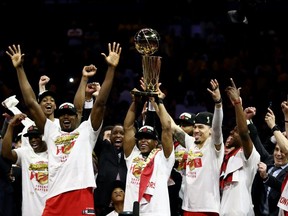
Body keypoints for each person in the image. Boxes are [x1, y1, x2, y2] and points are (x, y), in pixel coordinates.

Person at [6, 42, 122, 215]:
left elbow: (101, 104)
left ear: (77, 116)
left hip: (80, 194)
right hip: (54, 197)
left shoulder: (86, 130)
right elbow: (31, 103)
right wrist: (20, 69)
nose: (66, 117)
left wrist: (111, 69)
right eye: (62, 114)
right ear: (58, 117)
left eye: (70, 114)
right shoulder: (51, 130)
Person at [172, 79, 224, 216]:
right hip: (187, 206)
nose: (196, 130)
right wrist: (158, 102)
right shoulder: (190, 143)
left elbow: (217, 127)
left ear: (210, 130)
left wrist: (218, 104)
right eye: (194, 127)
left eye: (201, 127)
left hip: (207, 209)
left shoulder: (215, 146)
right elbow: (172, 127)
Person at [122, 87, 174, 215]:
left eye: (148, 138)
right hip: (132, 211)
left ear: (156, 142)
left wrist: (159, 101)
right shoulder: (132, 155)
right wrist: (135, 102)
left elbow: (167, 128)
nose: (143, 141)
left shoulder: (163, 158)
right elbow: (128, 127)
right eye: (140, 138)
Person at [219, 78, 260, 216]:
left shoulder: (249, 155)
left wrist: (237, 104)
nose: (231, 132)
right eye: (232, 130)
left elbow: (243, 132)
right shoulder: (225, 158)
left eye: (234, 131)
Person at [1, 114, 48, 216]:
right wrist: (11, 126)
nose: (33, 140)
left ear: (43, 136)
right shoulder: (25, 153)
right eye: (30, 137)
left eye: (36, 136)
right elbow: (5, 153)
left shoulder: (53, 153)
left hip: (52, 209)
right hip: (30, 211)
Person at [248, 106, 288, 216]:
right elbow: (256, 140)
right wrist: (247, 120)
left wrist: (266, 177)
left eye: (283, 151)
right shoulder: (269, 160)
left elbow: (282, 187)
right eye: (276, 150)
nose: (279, 154)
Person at [93, 124, 127, 215]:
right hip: (103, 200)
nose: (118, 135)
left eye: (121, 133)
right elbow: (92, 131)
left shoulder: (130, 152)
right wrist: (105, 140)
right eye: (114, 133)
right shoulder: (103, 149)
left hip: (126, 200)